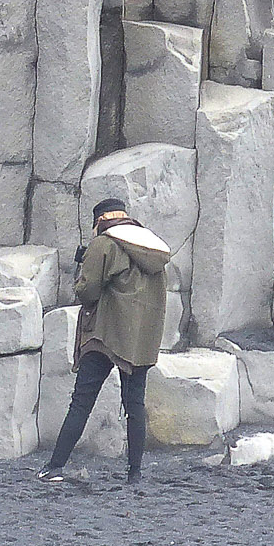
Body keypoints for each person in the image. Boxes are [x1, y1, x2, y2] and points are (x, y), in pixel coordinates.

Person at [39, 198, 173, 485]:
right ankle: (135, 474)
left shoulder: (103, 244)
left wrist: (83, 265)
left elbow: (86, 292)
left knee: (81, 402)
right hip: (140, 341)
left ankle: (54, 467)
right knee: (134, 406)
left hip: (104, 336)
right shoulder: (153, 249)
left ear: (100, 221)